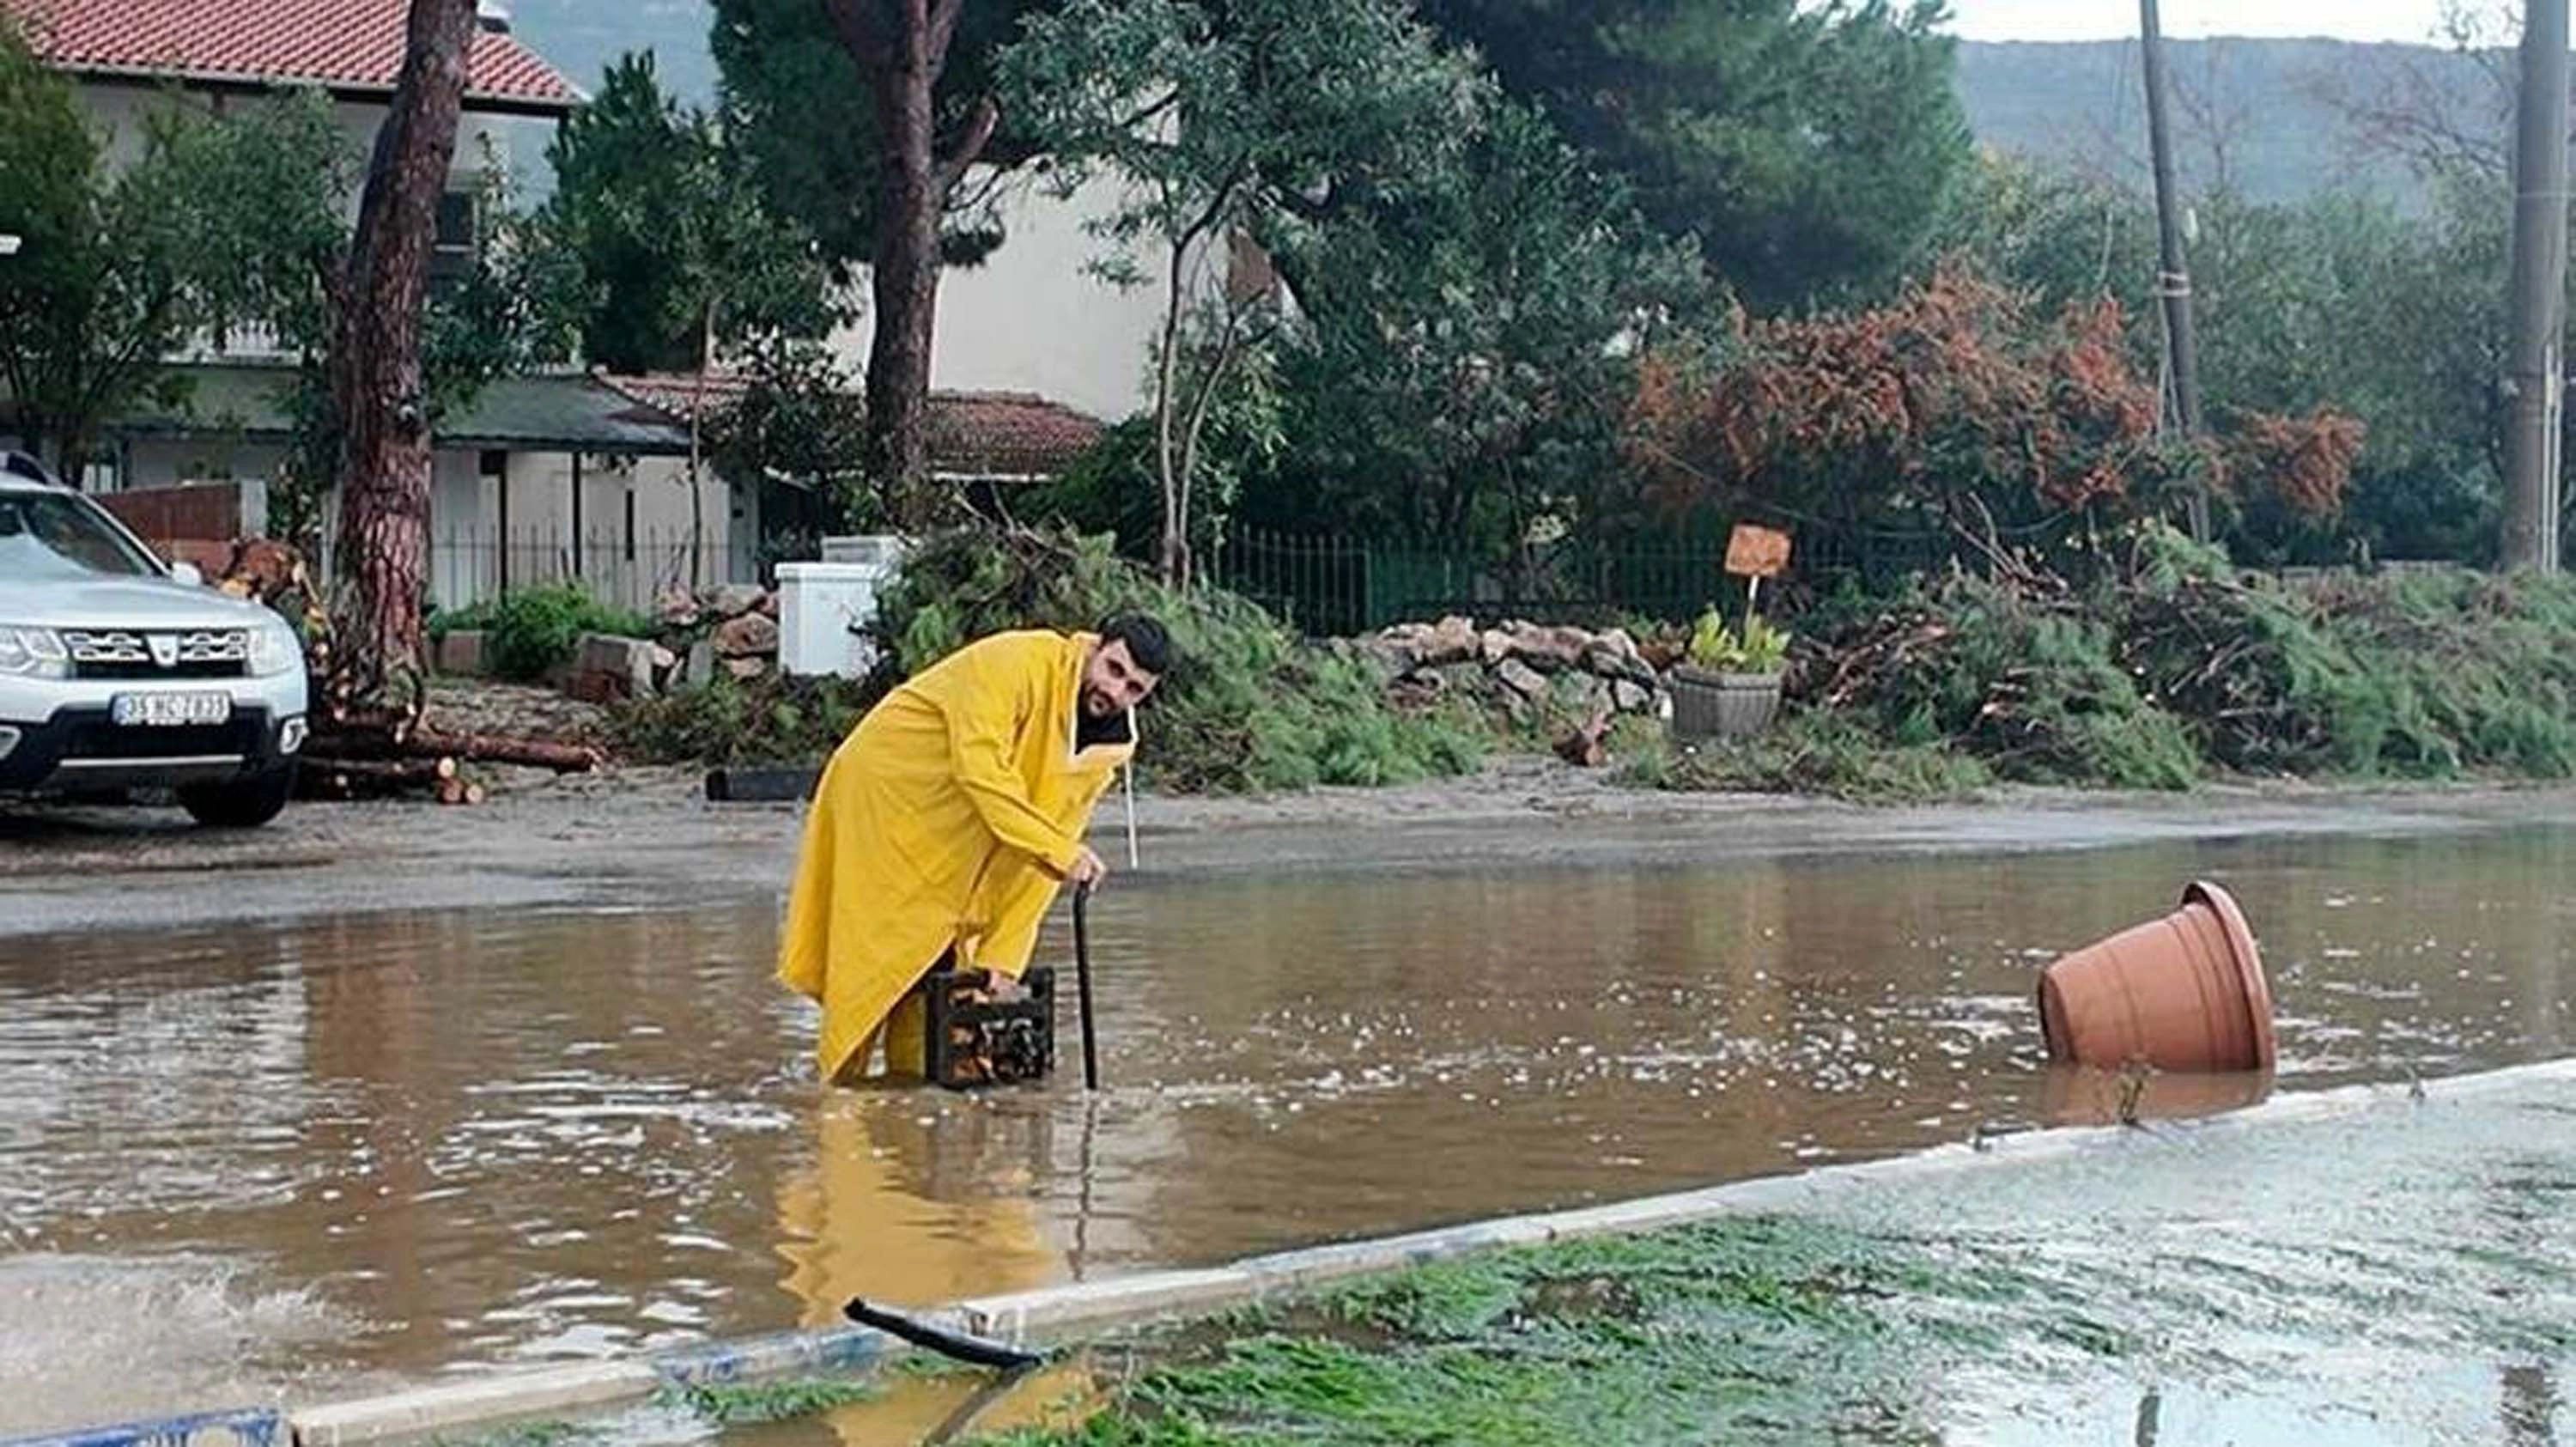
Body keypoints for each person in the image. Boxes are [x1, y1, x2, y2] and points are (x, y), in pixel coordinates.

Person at [778, 614, 1172, 1084]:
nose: (1116, 692)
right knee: (876, 963)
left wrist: (1003, 957)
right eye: (1114, 669)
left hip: (963, 825)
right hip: (888, 795)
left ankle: (904, 1102)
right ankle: (837, 1097)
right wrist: (1059, 851)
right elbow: (981, 772)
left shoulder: (1109, 748)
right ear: (1094, 647)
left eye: (1135, 690)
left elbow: (1045, 850)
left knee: (940, 968)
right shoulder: (1015, 662)